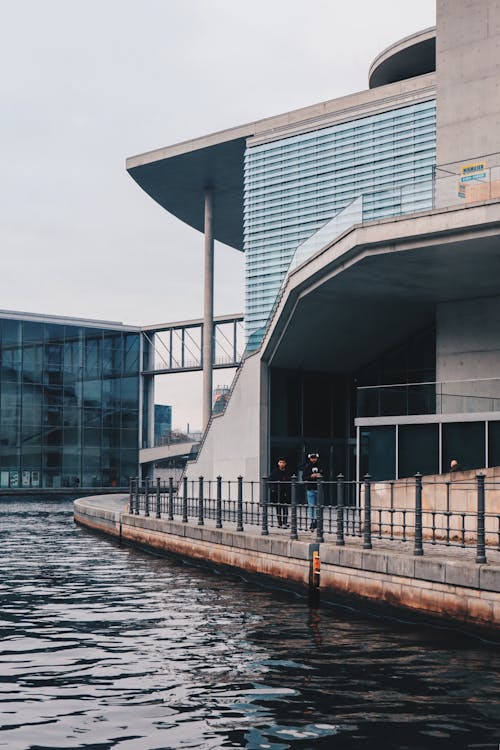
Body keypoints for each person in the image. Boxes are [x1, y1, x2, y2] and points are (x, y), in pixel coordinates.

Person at [300, 452, 327, 530]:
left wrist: (320, 475)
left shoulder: (321, 465)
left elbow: (326, 475)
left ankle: (318, 521)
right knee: (311, 506)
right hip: (310, 488)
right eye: (312, 458)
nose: (313, 459)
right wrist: (311, 476)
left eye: (314, 457)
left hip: (319, 488)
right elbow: (303, 477)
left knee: (319, 506)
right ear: (309, 458)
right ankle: (313, 521)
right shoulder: (307, 466)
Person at [269, 457, 292, 527]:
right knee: (278, 507)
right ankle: (279, 522)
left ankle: (285, 522)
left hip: (285, 492)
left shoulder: (287, 472)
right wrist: (273, 489)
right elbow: (270, 481)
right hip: (277, 492)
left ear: (285, 464)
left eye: (283, 462)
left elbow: (290, 481)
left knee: (285, 508)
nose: (281, 464)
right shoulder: (274, 472)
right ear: (278, 463)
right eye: (280, 462)